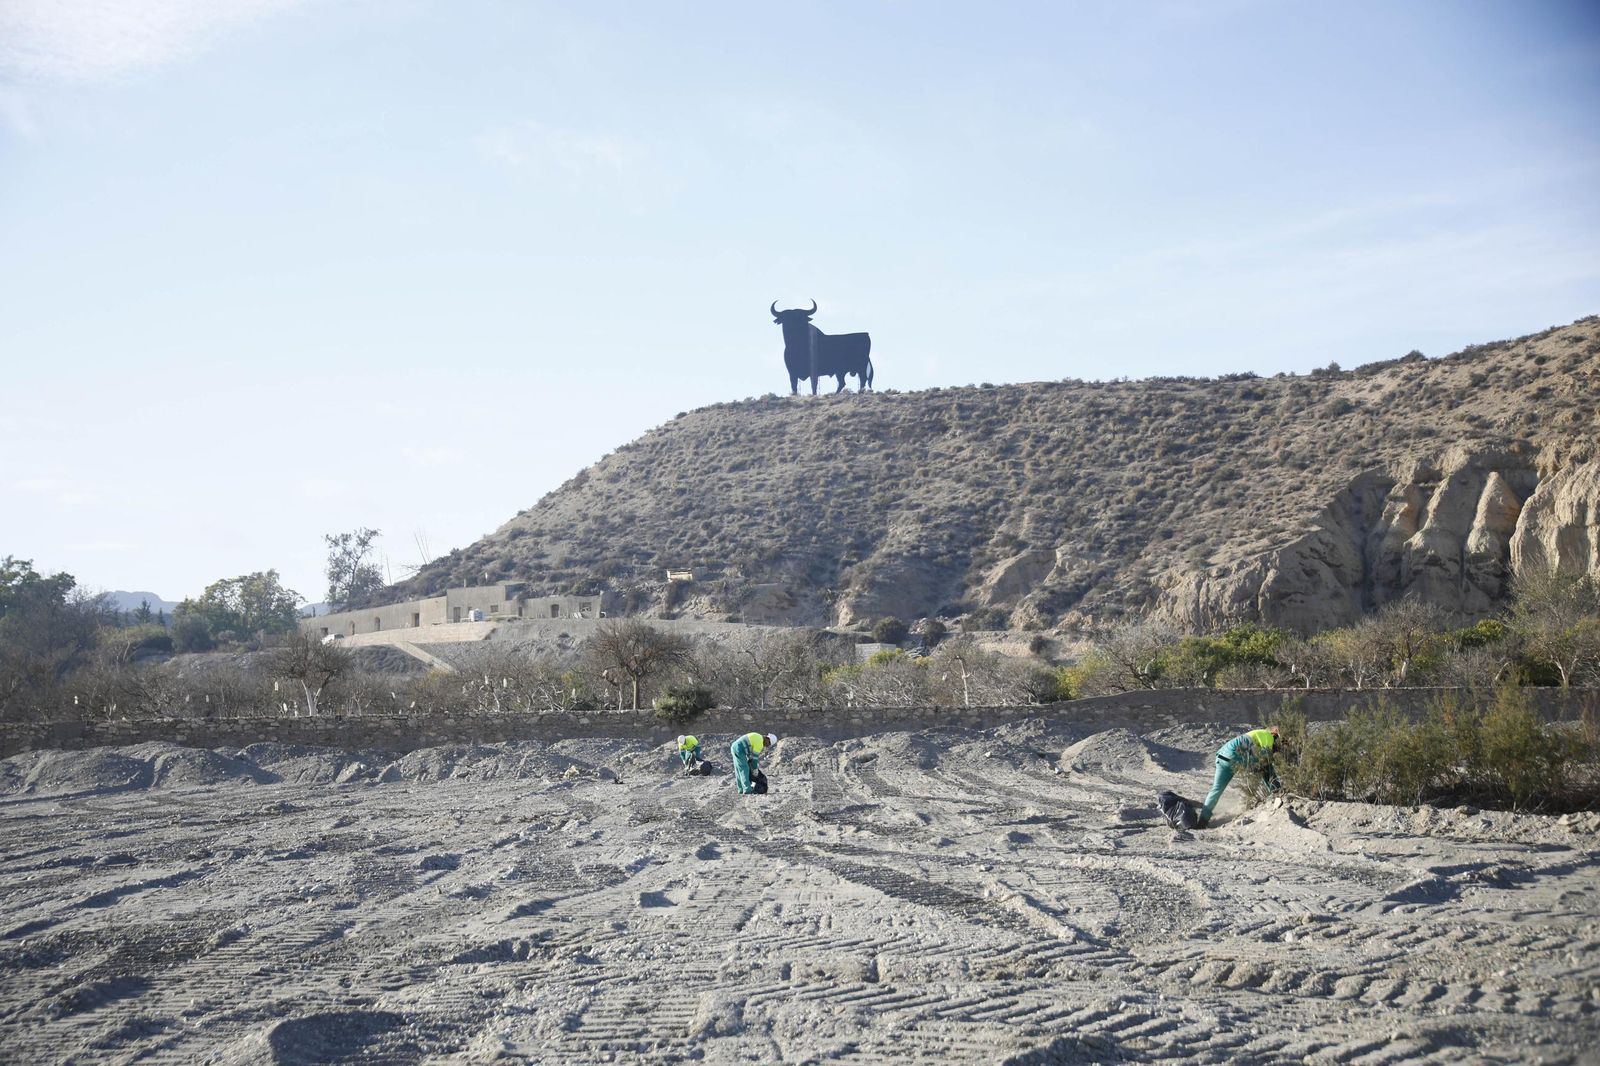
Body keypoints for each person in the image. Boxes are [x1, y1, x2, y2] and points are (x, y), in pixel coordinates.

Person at [1197, 726, 1281, 828]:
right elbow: (1266, 756)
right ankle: (1277, 791)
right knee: (1266, 765)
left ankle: (1202, 821)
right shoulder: (1268, 736)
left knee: (1216, 789)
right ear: (1276, 736)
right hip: (1235, 755)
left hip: (1222, 756)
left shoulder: (1258, 735)